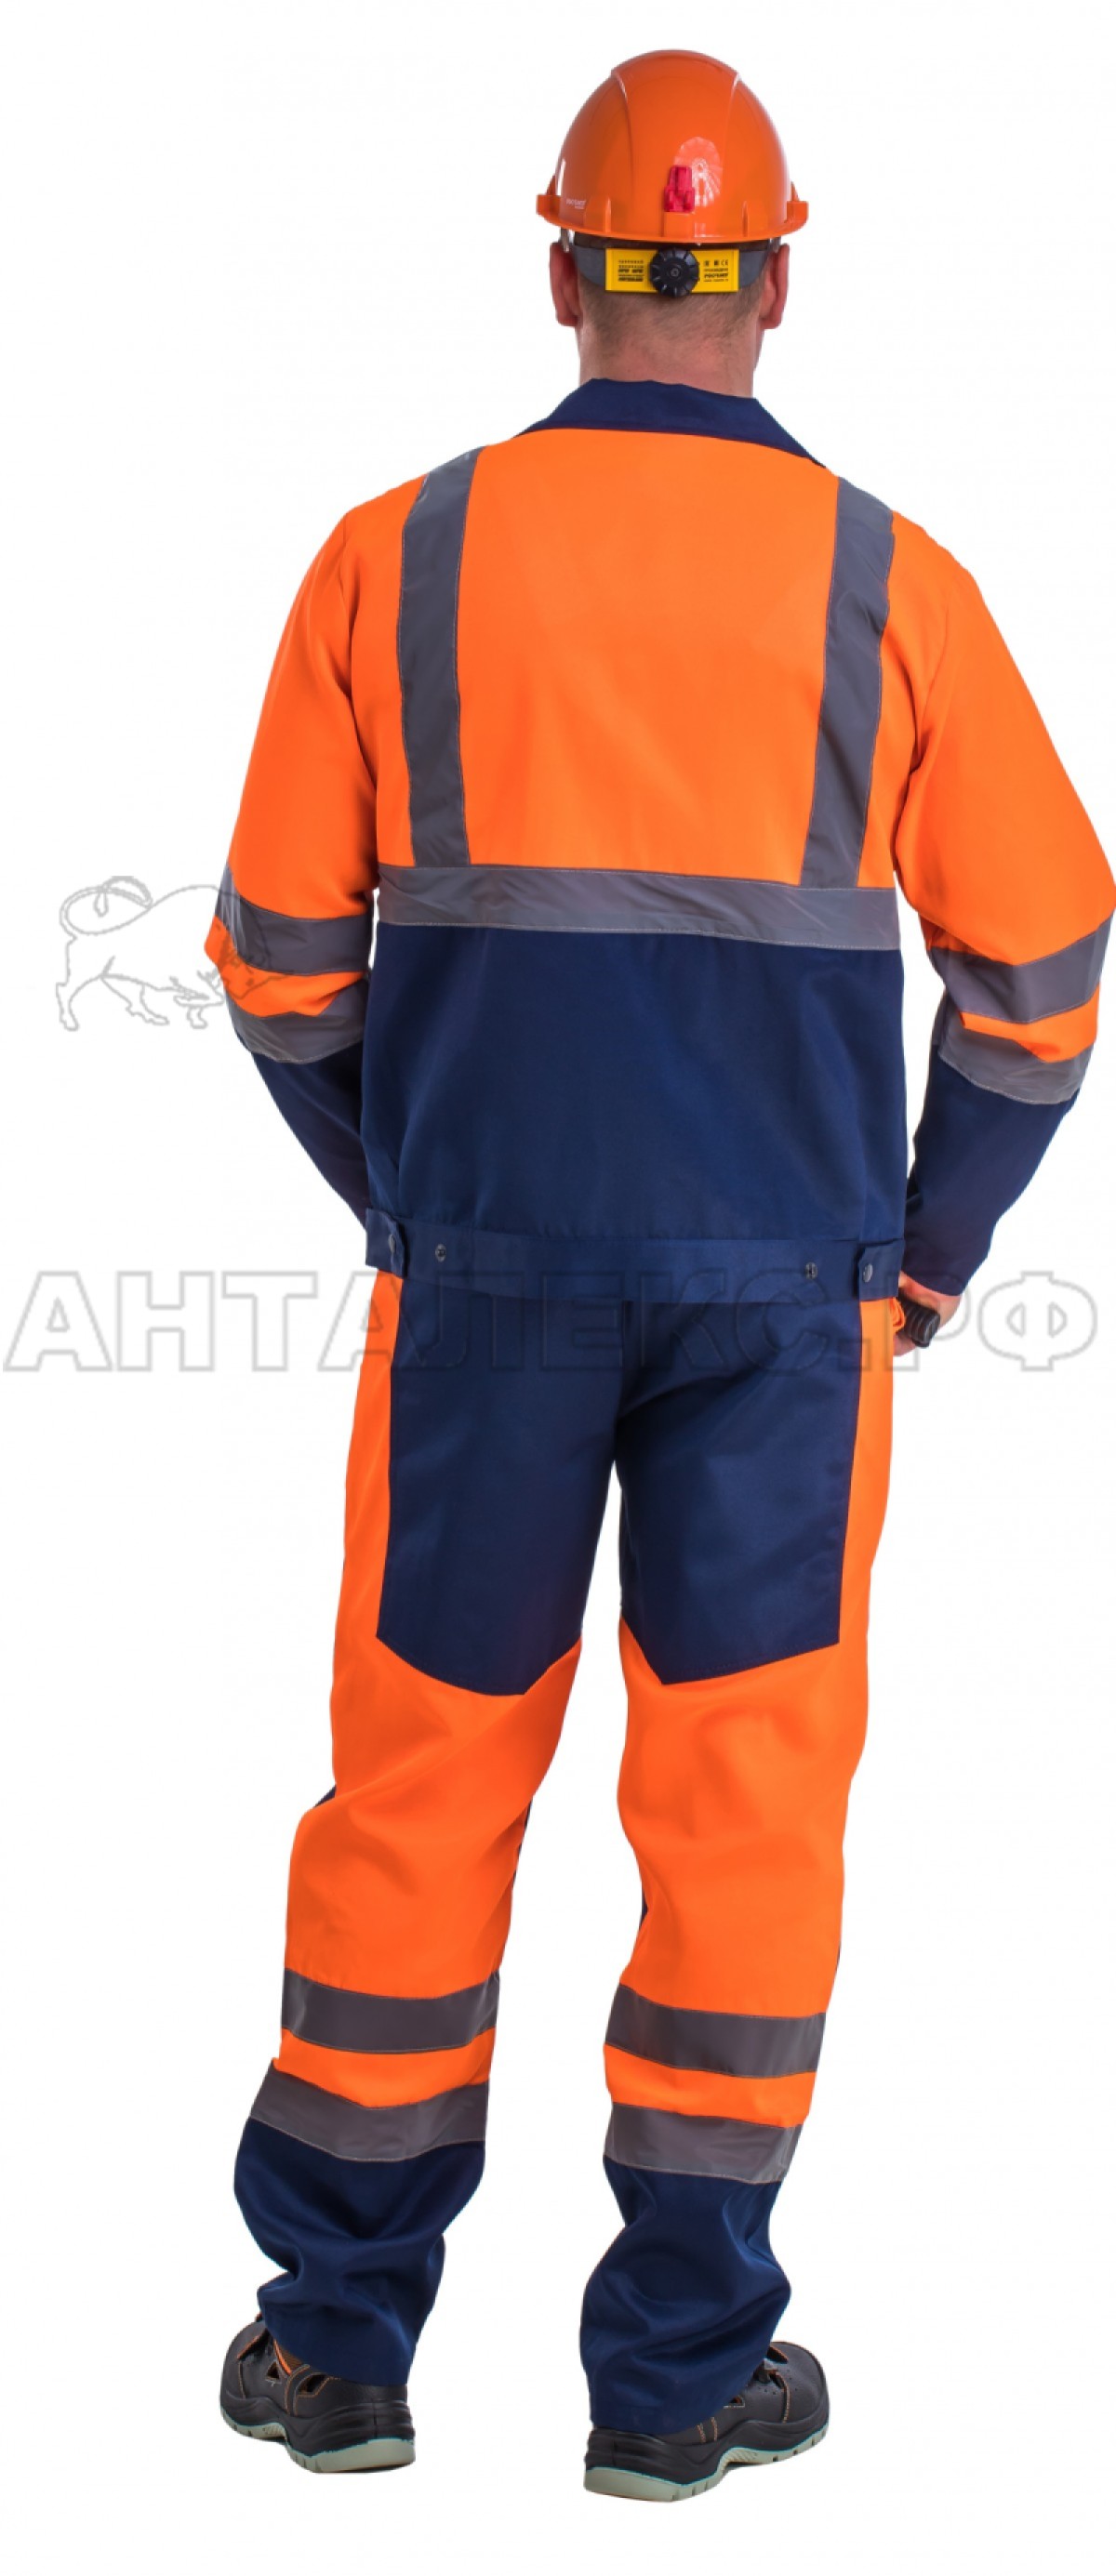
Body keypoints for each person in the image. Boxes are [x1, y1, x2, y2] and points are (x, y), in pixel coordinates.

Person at [208, 49, 1112, 2502]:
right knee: (746, 1813)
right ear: (777, 283)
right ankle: (679, 2375)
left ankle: (336, 2345)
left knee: (420, 1780)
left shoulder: (390, 560)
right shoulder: (895, 584)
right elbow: (1046, 970)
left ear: (564, 271)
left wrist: (418, 1189)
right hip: (789, 1314)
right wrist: (926, 1254)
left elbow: (277, 958)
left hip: (483, 1289)